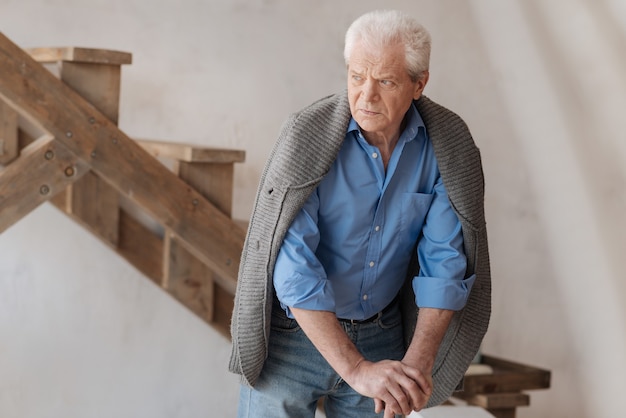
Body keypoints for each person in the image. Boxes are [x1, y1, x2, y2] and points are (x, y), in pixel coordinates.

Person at [229, 9, 491, 418]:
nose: (365, 96)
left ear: (418, 84)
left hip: (383, 335)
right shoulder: (306, 137)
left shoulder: (447, 148)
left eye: (385, 81)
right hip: (294, 337)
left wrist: (418, 362)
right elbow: (293, 267)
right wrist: (353, 368)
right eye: (357, 77)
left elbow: (444, 263)